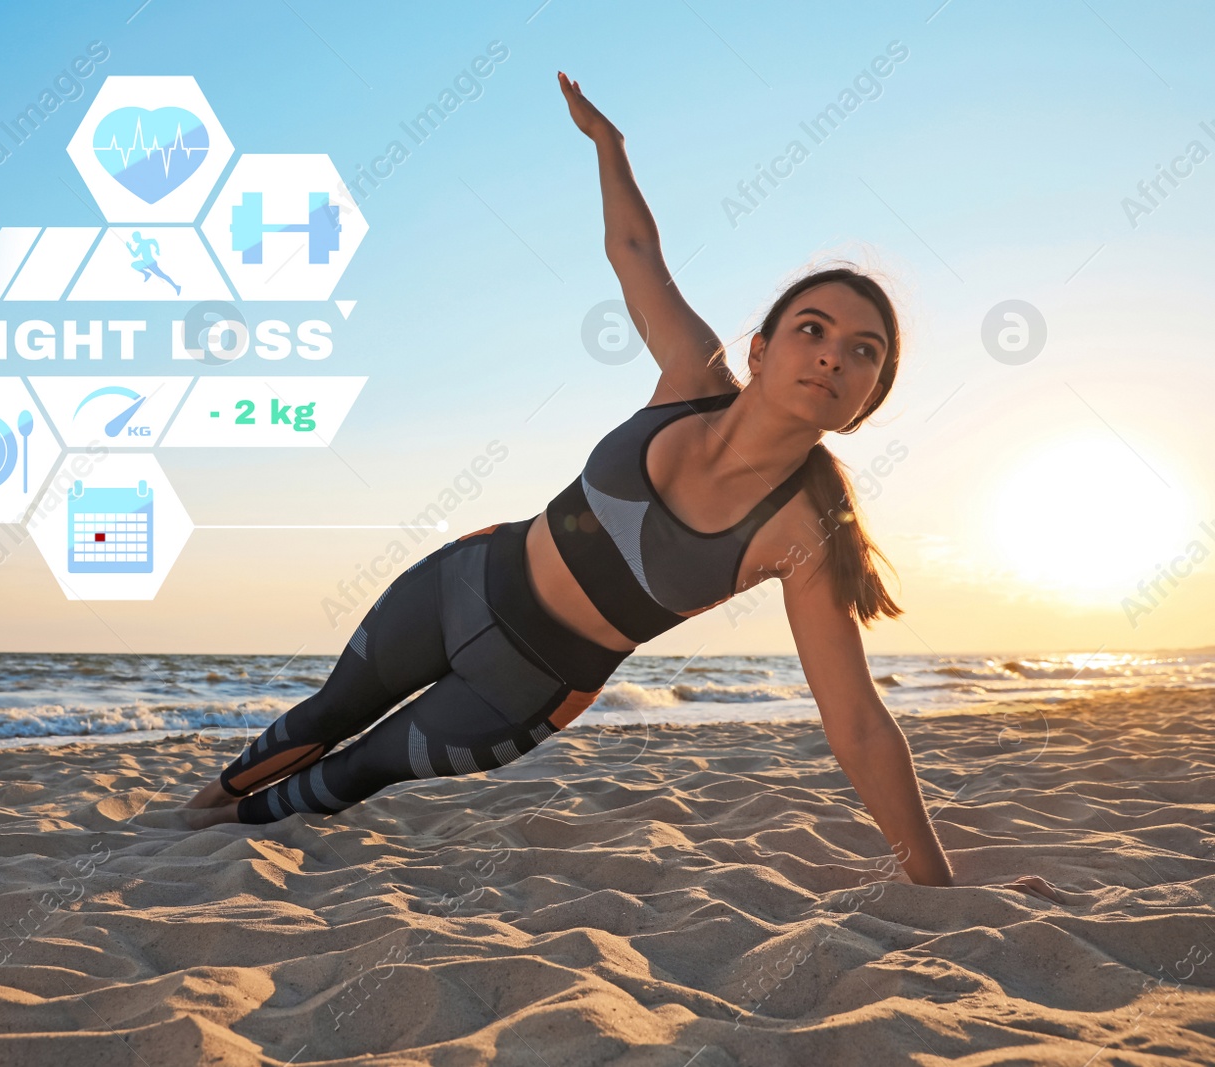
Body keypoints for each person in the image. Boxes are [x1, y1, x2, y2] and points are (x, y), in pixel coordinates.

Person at [179, 73, 1062, 902]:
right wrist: (609, 143)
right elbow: (634, 248)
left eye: (864, 351)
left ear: (866, 401)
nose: (833, 352)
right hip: (459, 587)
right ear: (763, 348)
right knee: (326, 712)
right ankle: (184, 820)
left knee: (354, 770)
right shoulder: (690, 373)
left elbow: (859, 725)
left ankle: (214, 844)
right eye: (813, 327)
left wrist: (936, 886)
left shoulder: (802, 534)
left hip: (522, 690)